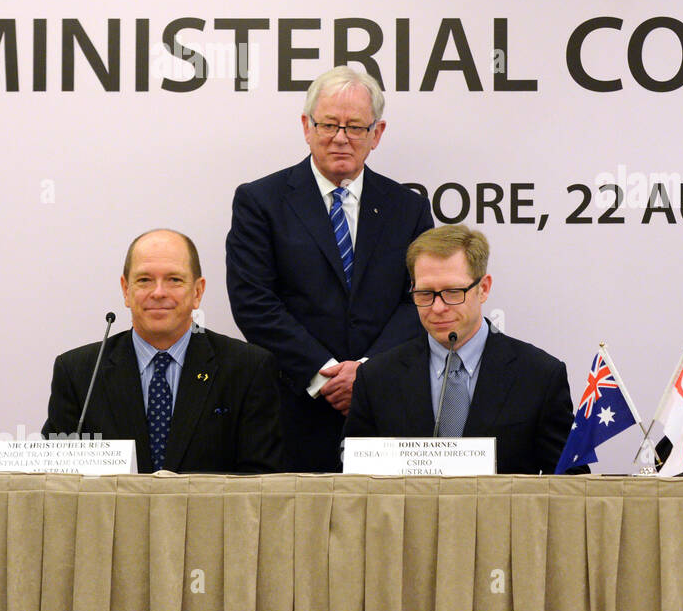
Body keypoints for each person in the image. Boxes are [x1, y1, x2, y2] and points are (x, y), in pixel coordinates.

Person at [226, 66, 434, 472]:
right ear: (306, 126)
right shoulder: (260, 202)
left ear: (378, 133)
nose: (341, 138)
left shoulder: (407, 208)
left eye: (355, 126)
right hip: (293, 409)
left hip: (387, 412)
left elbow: (421, 300)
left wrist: (368, 375)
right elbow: (253, 302)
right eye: (329, 124)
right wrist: (325, 375)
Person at [43, 229, 282, 473]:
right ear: (126, 290)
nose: (158, 293)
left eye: (174, 280)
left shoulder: (248, 368)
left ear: (197, 292)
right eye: (144, 280)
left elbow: (261, 483)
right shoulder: (78, 372)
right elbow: (56, 481)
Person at [344, 225, 572, 474]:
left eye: (453, 292)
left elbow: (569, 485)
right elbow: (355, 481)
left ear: (483, 288)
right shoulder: (376, 377)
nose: (438, 307)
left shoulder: (539, 376)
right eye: (425, 294)